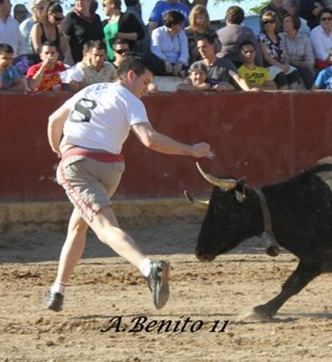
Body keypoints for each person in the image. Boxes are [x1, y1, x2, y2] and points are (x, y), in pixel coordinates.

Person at [44, 56, 212, 313]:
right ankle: (58, 290)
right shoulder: (130, 100)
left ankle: (147, 267)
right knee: (78, 227)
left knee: (103, 227)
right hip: (111, 167)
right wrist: (192, 150)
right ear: (130, 75)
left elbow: (54, 120)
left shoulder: (91, 89)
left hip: (78, 164)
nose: (147, 88)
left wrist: (58, 147)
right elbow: (150, 139)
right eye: (145, 81)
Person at [258, 10, 301, 90]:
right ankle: (284, 100)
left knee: (294, 73)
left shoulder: (279, 37)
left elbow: (284, 54)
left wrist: (286, 65)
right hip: (269, 67)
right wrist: (281, 66)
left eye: (271, 21)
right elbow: (266, 57)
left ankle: (293, 98)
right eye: (265, 22)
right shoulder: (261, 37)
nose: (268, 24)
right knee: (281, 76)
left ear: (276, 22)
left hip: (281, 65)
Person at [150, 10, 189, 77]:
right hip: (162, 62)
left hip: (177, 63)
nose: (182, 26)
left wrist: (180, 63)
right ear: (173, 24)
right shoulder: (158, 32)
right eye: (180, 24)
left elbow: (185, 51)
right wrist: (166, 61)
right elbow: (155, 49)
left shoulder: (182, 34)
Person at [282, 13, 315, 89]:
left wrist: (310, 66)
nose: (284, 24)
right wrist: (297, 63)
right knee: (302, 70)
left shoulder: (303, 37)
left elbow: (309, 55)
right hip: (289, 63)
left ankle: (314, 94)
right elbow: (284, 55)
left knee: (310, 71)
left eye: (287, 21)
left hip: (302, 63)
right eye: (283, 22)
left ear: (295, 22)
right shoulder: (281, 37)